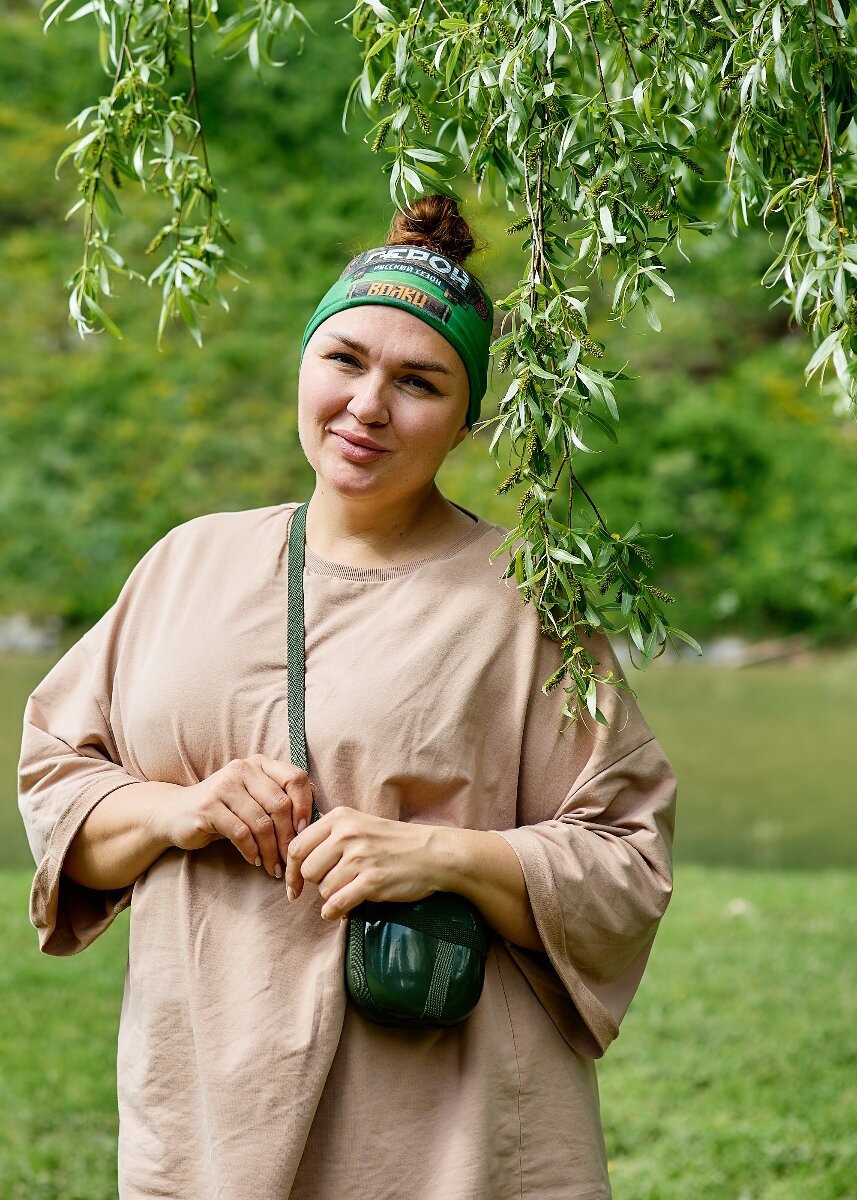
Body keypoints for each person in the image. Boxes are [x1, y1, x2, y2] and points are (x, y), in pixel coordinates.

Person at [17, 194, 677, 1200]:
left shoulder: (522, 605)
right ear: (303, 365)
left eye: (418, 382)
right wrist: (178, 810)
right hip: (202, 1108)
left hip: (434, 1131)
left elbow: (625, 860)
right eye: (344, 361)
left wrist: (437, 854)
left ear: (463, 419)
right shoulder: (185, 564)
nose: (368, 405)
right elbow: (59, 791)